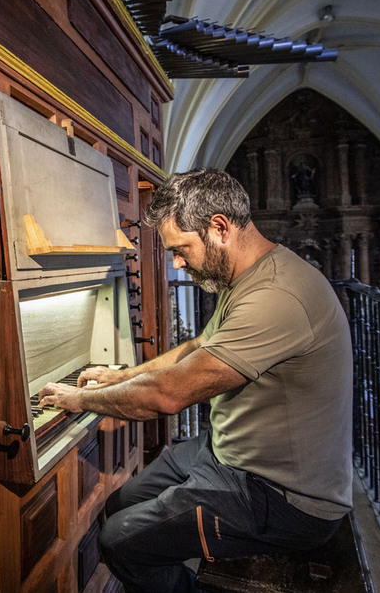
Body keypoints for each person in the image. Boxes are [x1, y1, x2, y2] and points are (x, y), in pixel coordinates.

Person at [38, 168, 353, 592]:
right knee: (120, 504)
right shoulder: (246, 274)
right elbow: (199, 346)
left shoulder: (276, 297)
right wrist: (124, 374)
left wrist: (78, 400)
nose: (178, 263)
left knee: (120, 542)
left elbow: (168, 396)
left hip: (284, 497)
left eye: (181, 248)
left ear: (219, 227)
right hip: (233, 454)